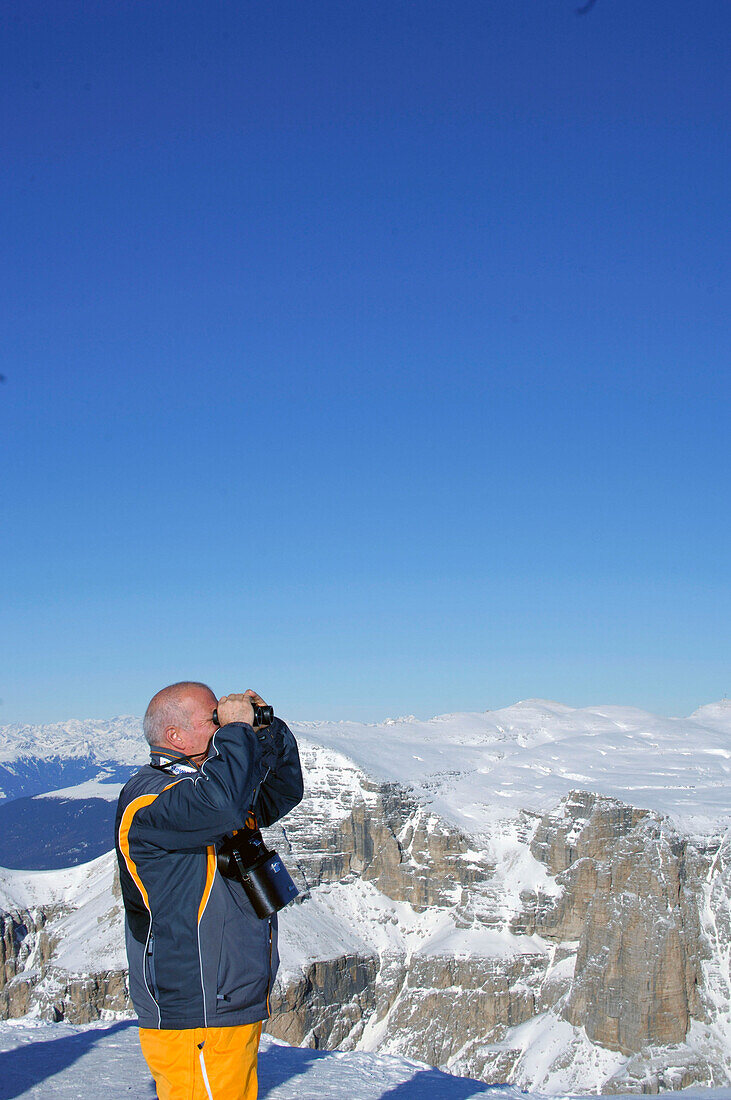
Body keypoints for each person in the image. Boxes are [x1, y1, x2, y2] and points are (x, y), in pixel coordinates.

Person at [115, 681, 304, 1100]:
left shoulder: (208, 787)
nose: (221, 726)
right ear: (175, 736)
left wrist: (266, 731)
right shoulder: (149, 799)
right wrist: (236, 733)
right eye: (213, 719)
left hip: (228, 1003)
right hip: (195, 1014)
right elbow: (221, 805)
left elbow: (281, 793)